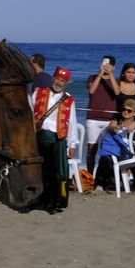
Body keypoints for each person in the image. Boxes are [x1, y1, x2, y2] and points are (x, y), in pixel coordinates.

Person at [30, 67, 82, 212]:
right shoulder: (38, 92)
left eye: (63, 80)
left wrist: (72, 144)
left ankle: (52, 203)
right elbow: (29, 112)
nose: (59, 82)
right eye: (58, 78)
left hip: (57, 138)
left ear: (66, 82)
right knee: (38, 170)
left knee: (55, 172)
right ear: (53, 78)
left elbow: (71, 122)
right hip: (39, 136)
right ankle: (36, 200)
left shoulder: (69, 100)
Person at [94, 99, 135, 193]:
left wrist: (134, 124)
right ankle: (100, 184)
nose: (126, 112)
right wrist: (114, 128)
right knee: (105, 157)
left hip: (130, 149)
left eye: (129, 111)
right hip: (117, 149)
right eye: (124, 109)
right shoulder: (118, 119)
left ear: (134, 113)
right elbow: (111, 125)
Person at [83, 56, 122, 173]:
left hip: (109, 119)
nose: (106, 67)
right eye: (104, 64)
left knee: (106, 149)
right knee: (91, 149)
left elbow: (117, 92)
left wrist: (110, 75)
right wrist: (100, 75)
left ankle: (103, 175)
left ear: (114, 67)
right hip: (93, 118)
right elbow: (91, 91)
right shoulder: (93, 77)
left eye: (109, 65)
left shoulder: (116, 80)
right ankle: (90, 175)